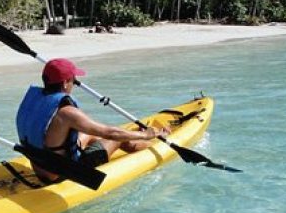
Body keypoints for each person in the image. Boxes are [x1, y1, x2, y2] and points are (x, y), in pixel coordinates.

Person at [16, 58, 170, 183]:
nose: (74, 83)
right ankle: (153, 145)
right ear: (64, 83)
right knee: (118, 139)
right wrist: (147, 134)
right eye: (73, 80)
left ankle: (140, 141)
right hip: (62, 173)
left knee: (90, 135)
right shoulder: (67, 113)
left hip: (40, 166)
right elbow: (111, 133)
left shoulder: (33, 101)